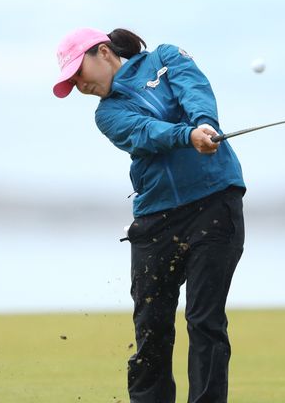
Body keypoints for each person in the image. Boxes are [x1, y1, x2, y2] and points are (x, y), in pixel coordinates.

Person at [52, 27, 246, 403]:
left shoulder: (165, 57)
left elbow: (194, 89)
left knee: (205, 321)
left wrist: (204, 124)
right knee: (152, 329)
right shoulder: (107, 114)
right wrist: (188, 136)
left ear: (104, 53)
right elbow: (145, 132)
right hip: (157, 220)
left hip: (215, 203)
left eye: (79, 73)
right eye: (71, 81)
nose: (79, 85)